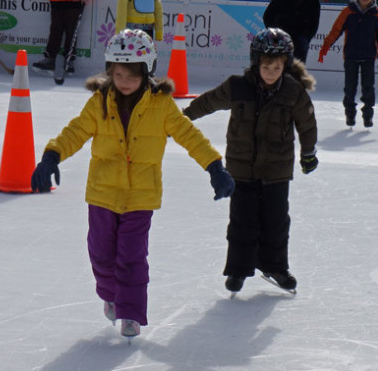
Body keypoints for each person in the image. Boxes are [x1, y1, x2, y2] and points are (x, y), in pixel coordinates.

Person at [31, 29, 234, 339]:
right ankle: (111, 295)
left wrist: (214, 166)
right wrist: (52, 156)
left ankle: (131, 313)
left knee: (131, 257)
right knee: (100, 252)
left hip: (141, 195)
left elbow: (189, 136)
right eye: (118, 73)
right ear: (110, 71)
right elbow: (75, 132)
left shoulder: (161, 105)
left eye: (132, 75)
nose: (124, 81)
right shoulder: (100, 102)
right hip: (102, 193)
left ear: (147, 71)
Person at [183, 28, 318, 295]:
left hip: (276, 170)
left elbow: (307, 123)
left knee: (277, 222)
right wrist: (182, 118)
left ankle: (276, 267)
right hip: (241, 169)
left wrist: (308, 153)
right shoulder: (238, 86)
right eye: (266, 66)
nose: (271, 71)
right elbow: (208, 101)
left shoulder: (293, 91)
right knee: (242, 222)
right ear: (256, 63)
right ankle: (237, 269)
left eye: (277, 67)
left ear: (286, 66)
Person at [318, 0, 378, 128]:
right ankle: (350, 114)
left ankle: (368, 115)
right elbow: (336, 30)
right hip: (351, 56)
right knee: (349, 88)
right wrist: (326, 45)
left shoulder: (377, 13)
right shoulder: (348, 12)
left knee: (368, 88)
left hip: (368, 57)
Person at [33, 0, 89, 74]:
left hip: (74, 3)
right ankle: (50, 59)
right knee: (55, 31)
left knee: (71, 31)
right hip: (57, 2)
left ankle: (69, 60)